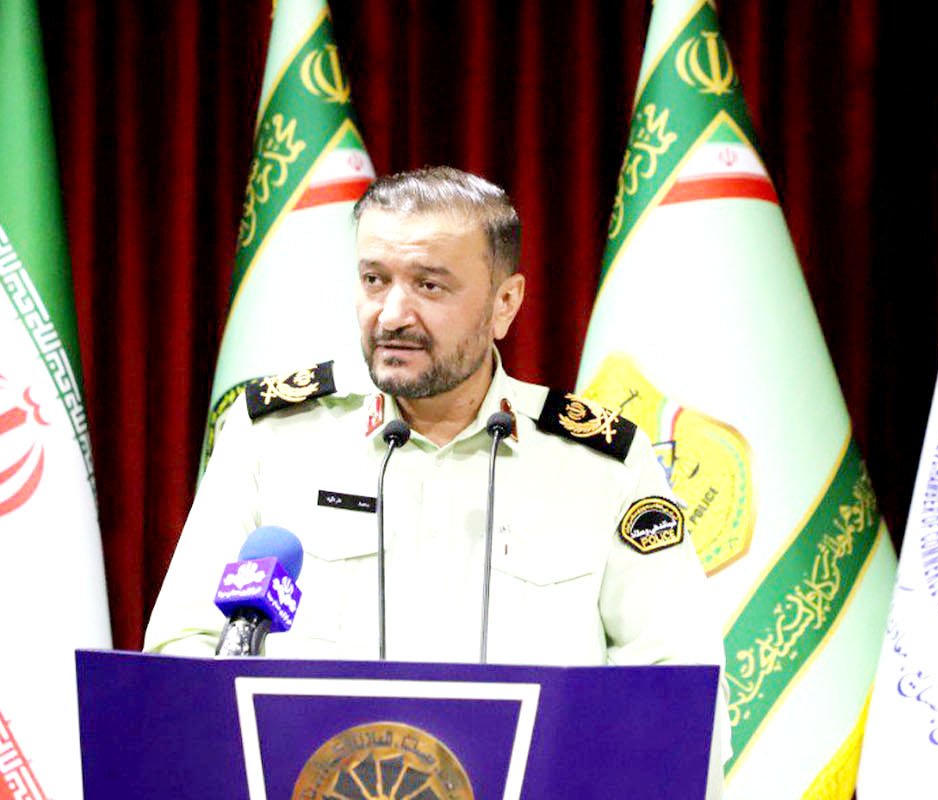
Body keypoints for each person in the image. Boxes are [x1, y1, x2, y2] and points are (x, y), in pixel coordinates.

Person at [143, 167, 729, 792]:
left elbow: (677, 689)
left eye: (429, 285)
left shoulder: (599, 464)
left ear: (505, 303)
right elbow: (185, 648)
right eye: (374, 279)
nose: (393, 314)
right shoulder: (273, 436)